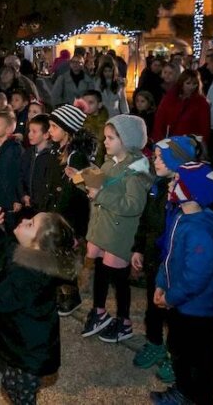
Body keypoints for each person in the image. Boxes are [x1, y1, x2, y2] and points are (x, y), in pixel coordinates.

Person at [0, 208, 77, 405]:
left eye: (30, 224)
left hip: (29, 351)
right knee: (10, 383)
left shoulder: (29, 274)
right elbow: (7, 250)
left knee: (21, 392)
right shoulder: (33, 256)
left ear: (38, 245)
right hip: (21, 339)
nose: (24, 220)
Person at [150, 162, 213, 405]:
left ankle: (197, 397)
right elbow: (170, 256)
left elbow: (196, 277)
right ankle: (183, 390)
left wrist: (171, 297)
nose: (171, 183)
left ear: (190, 191)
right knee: (179, 350)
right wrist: (161, 282)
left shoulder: (200, 230)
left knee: (196, 357)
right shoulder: (182, 216)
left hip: (196, 309)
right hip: (181, 303)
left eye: (177, 180)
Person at [131, 136, 201, 382]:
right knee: (153, 306)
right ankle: (154, 342)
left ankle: (175, 355)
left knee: (175, 314)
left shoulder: (189, 193)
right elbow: (145, 220)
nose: (154, 160)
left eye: (161, 158)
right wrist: (138, 248)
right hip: (154, 259)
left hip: (175, 265)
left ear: (177, 160)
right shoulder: (158, 186)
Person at [80, 115, 152, 343]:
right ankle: (99, 310)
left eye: (111, 138)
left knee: (120, 279)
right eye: (106, 138)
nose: (105, 142)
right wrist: (86, 182)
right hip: (104, 227)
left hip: (119, 232)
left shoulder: (136, 172)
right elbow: (102, 187)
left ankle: (124, 320)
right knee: (100, 269)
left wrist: (101, 194)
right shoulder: (109, 162)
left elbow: (133, 205)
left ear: (127, 140)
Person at [152, 69, 211, 143]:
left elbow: (205, 128)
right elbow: (159, 120)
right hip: (168, 141)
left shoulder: (202, 103)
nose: (191, 87)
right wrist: (159, 140)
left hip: (189, 145)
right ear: (182, 83)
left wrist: (199, 145)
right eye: (188, 83)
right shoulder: (170, 98)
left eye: (194, 84)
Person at [20, 114, 53, 215]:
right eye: (29, 131)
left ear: (46, 134)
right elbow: (20, 175)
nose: (29, 135)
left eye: (34, 132)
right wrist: (23, 195)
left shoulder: (51, 156)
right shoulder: (28, 153)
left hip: (42, 208)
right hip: (27, 205)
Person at [80, 90, 110, 164]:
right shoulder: (79, 122)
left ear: (99, 105)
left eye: (90, 102)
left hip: (102, 164)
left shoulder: (108, 124)